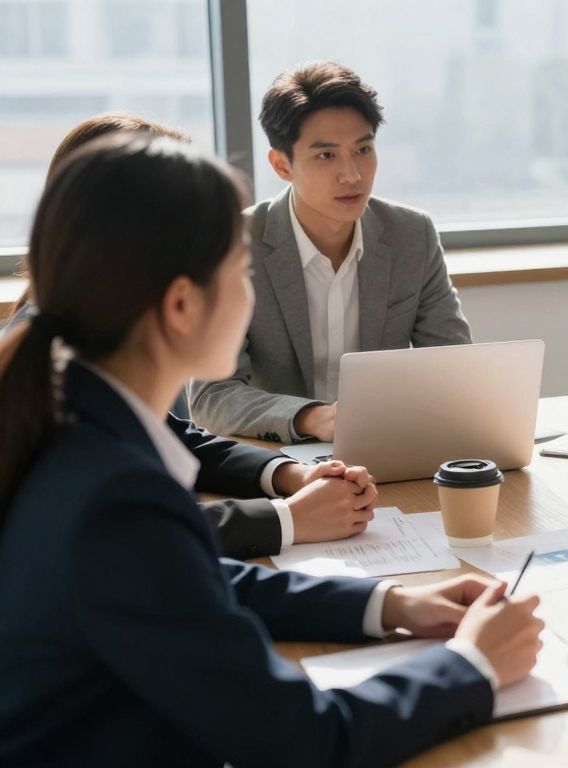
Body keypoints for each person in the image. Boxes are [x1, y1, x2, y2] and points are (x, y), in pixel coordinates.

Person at [0, 135, 542, 766]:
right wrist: (472, 666)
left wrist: (389, 604)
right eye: (241, 273)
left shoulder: (67, 418)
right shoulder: (115, 493)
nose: (250, 294)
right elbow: (305, 741)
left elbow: (189, 581)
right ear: (181, 304)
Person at [1, 112, 377, 559]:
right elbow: (134, 534)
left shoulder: (95, 338)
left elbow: (178, 438)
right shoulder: (67, 375)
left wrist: (287, 473)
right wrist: (290, 518)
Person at [189, 61, 474, 442]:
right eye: (326, 156)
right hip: (277, 461)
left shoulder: (412, 234)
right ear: (281, 165)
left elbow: (454, 368)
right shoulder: (234, 243)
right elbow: (212, 395)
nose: (352, 175)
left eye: (363, 149)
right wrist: (310, 418)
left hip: (385, 449)